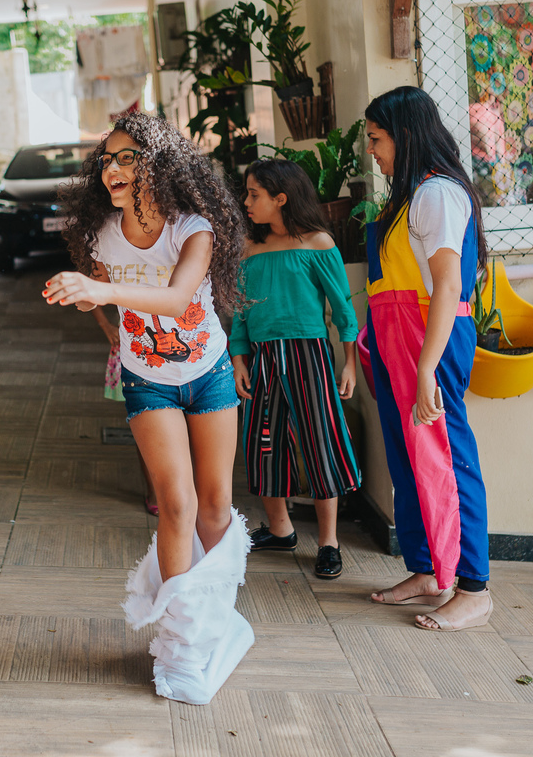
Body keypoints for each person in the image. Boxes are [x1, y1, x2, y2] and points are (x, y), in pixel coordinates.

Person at [43, 112, 252, 705]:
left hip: (208, 373)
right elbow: (102, 292)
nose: (112, 168)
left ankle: (212, 621)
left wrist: (101, 290)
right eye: (107, 159)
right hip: (147, 380)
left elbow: (179, 297)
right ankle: (182, 646)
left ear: (158, 164)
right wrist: (85, 297)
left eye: (127, 157)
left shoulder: (193, 227)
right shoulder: (102, 233)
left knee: (216, 506)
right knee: (176, 504)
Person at [363, 86, 492, 632]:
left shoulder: (437, 194)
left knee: (448, 459)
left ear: (405, 135)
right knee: (408, 459)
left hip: (429, 342)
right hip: (398, 340)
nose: (372, 151)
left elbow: (447, 286)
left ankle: (473, 588)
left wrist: (425, 367)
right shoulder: (410, 195)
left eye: (377, 139)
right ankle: (428, 570)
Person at [232, 159, 362, 580]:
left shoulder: (318, 243)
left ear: (281, 198)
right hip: (262, 357)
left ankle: (328, 542)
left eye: (254, 194)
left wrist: (350, 364)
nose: (246, 201)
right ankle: (281, 530)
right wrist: (238, 358)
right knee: (263, 441)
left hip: (309, 356)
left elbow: (343, 309)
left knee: (320, 440)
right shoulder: (249, 248)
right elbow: (240, 310)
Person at [91, 306, 158, 516]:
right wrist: (105, 324)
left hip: (181, 353)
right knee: (147, 427)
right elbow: (86, 289)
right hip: (135, 349)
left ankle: (184, 490)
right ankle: (155, 492)